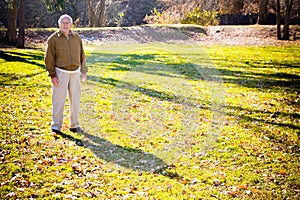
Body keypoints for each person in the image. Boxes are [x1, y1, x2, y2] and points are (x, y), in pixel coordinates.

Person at [44, 14, 88, 134]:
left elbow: (82, 55)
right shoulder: (53, 39)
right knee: (58, 100)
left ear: (71, 24)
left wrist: (83, 71)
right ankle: (56, 126)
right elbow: (49, 58)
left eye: (67, 22)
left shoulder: (77, 38)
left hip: (75, 73)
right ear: (59, 24)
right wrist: (52, 75)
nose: (65, 25)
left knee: (75, 100)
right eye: (63, 22)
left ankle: (74, 125)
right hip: (60, 73)